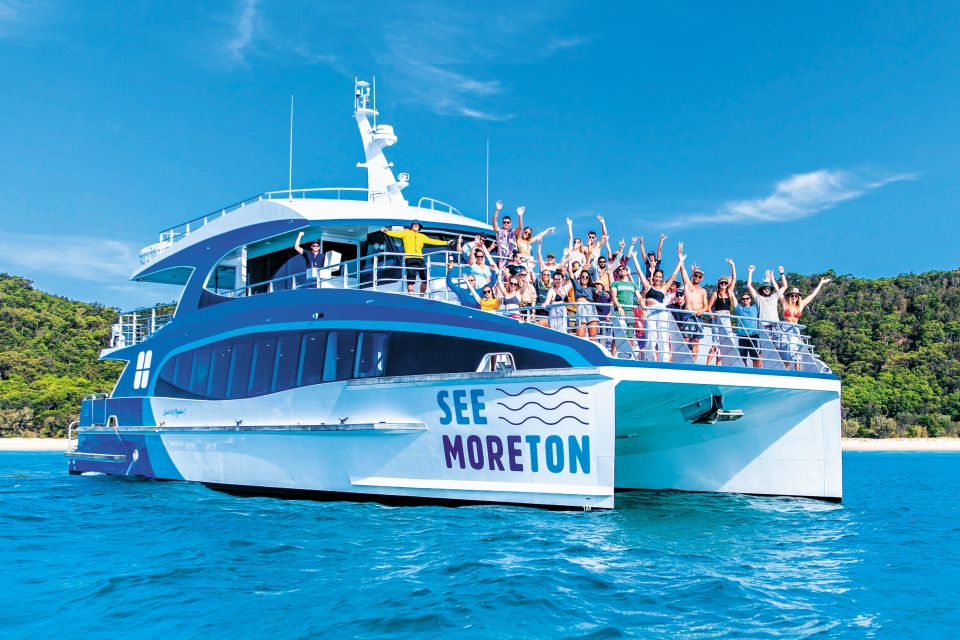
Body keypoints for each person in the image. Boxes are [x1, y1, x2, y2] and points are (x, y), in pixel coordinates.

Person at [630, 248, 683, 362]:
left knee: (663, 336)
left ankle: (664, 360)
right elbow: (639, 271)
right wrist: (634, 257)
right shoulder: (648, 286)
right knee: (650, 337)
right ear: (653, 276)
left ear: (662, 278)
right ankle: (651, 359)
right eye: (656, 276)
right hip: (650, 311)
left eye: (660, 277)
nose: (658, 278)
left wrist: (680, 260)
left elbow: (674, 274)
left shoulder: (664, 288)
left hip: (661, 312)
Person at [381, 221, 448, 295]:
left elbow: (433, 241)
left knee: (425, 278)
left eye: (418, 225)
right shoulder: (406, 232)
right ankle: (411, 294)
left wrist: (446, 243)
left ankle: (422, 295)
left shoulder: (422, 236)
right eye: (415, 224)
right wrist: (386, 232)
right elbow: (395, 234)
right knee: (411, 278)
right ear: (412, 226)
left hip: (420, 259)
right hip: (409, 258)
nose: (416, 226)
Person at [781, 277, 832, 369]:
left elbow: (812, 295)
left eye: (796, 296)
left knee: (796, 351)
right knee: (786, 352)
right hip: (785, 329)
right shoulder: (785, 304)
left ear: (798, 297)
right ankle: (787, 371)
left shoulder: (801, 305)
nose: (794, 297)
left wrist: (821, 283)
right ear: (789, 296)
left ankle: (798, 371)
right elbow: (778, 290)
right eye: (792, 295)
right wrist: (777, 275)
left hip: (795, 329)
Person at [677, 243, 710, 361]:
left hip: (698, 317)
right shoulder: (688, 285)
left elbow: (706, 306)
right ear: (693, 275)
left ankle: (694, 361)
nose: (697, 277)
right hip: (688, 315)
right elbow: (683, 271)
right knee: (686, 339)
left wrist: (701, 311)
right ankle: (683, 360)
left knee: (696, 340)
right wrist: (680, 255)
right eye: (696, 275)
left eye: (700, 276)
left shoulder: (703, 291)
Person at [748, 266, 788, 358]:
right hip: (764, 326)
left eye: (769, 288)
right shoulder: (758, 298)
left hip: (775, 326)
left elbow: (785, 286)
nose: (767, 290)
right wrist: (750, 272)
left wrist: (782, 273)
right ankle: (759, 369)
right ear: (762, 289)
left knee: (777, 348)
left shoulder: (774, 297)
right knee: (764, 349)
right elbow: (749, 286)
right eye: (765, 288)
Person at [707, 258, 737, 366]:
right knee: (716, 342)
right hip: (718, 317)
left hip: (727, 318)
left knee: (727, 342)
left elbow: (734, 279)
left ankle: (719, 365)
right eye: (722, 283)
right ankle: (707, 364)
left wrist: (732, 265)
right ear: (719, 284)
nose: (723, 285)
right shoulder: (715, 294)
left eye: (725, 283)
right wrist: (712, 316)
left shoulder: (729, 292)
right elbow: (709, 307)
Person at [610, 264, 643, 357]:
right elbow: (613, 296)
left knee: (630, 337)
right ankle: (614, 356)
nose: (621, 270)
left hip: (630, 312)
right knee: (617, 336)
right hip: (619, 311)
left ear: (627, 271)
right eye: (619, 270)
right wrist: (619, 306)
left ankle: (629, 356)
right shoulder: (615, 283)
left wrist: (644, 308)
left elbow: (639, 297)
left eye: (623, 269)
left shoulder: (633, 285)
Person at [734, 279, 762, 368]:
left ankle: (757, 373)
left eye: (747, 298)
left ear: (750, 300)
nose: (745, 300)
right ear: (742, 301)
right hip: (742, 336)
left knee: (755, 357)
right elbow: (732, 296)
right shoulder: (739, 309)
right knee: (743, 358)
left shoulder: (755, 307)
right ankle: (744, 373)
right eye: (743, 299)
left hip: (753, 335)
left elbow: (758, 297)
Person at [569, 266, 599, 338]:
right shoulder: (577, 286)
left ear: (589, 279)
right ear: (580, 278)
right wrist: (569, 259)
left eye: (586, 277)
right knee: (580, 337)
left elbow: (598, 291)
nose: (584, 278)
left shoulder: (592, 288)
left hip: (591, 309)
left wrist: (602, 292)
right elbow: (571, 273)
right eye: (582, 277)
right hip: (581, 309)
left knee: (593, 337)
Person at [593, 281, 613, 347]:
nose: (597, 286)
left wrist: (609, 314)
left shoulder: (607, 293)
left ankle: (609, 350)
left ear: (602, 285)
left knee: (609, 337)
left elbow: (611, 303)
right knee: (599, 336)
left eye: (599, 284)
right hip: (599, 318)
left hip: (608, 318)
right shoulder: (594, 295)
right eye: (596, 285)